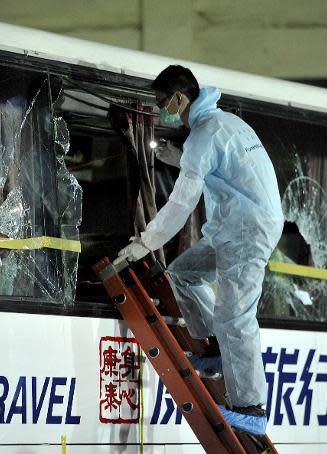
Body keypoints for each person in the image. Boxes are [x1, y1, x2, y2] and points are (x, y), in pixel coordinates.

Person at [118, 65, 284, 436]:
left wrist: (146, 243)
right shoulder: (227, 124)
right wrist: (175, 157)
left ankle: (251, 407)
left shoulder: (204, 134)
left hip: (246, 230)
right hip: (237, 227)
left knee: (235, 316)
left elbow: (181, 203)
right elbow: (222, 167)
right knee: (184, 273)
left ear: (180, 98)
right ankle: (217, 351)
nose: (162, 108)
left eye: (163, 102)